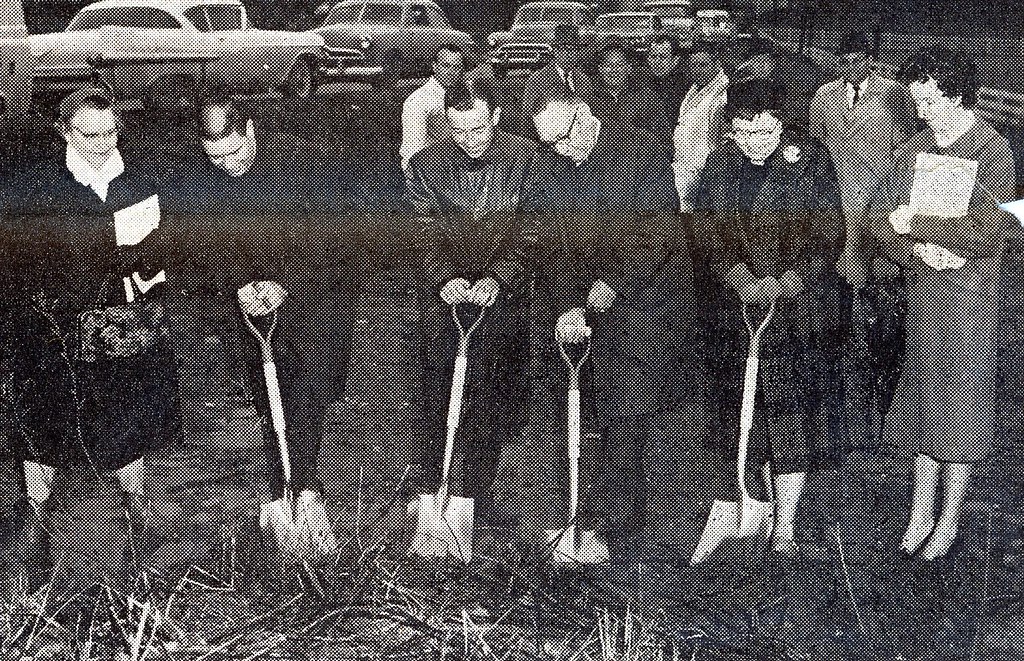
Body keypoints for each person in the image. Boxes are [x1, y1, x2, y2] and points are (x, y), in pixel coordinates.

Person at [2, 87, 181, 572]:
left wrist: (151, 267)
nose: (102, 145)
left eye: (109, 132)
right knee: (46, 448)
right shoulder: (34, 189)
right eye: (88, 134)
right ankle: (35, 557)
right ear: (63, 130)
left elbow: (169, 249)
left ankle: (144, 564)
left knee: (133, 449)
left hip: (127, 335)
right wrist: (109, 239)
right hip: (53, 341)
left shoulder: (143, 178)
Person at [162, 89, 361, 520]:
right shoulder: (203, 183)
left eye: (233, 152)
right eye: (217, 158)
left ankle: (307, 490)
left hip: (314, 296)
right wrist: (237, 288)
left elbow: (331, 237)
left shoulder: (302, 164)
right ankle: (279, 493)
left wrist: (285, 284)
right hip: (250, 308)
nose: (227, 164)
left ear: (249, 130)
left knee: (308, 393)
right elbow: (202, 250)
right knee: (267, 392)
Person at [527, 90, 693, 563]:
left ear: (584, 117)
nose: (558, 151)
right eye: (549, 143)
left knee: (625, 421)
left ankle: (617, 533)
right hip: (579, 315)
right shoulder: (551, 169)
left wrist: (608, 291)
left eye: (563, 139)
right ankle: (575, 522)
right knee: (579, 420)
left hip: (642, 312)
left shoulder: (639, 158)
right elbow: (545, 249)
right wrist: (564, 305)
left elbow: (656, 239)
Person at [866, 47, 1015, 562]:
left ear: (954, 93)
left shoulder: (993, 147)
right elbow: (879, 219)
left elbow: (1006, 224)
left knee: (959, 407)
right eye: (914, 98)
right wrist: (908, 242)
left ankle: (951, 515)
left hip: (969, 294)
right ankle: (920, 508)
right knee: (920, 402)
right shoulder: (916, 145)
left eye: (926, 98)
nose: (917, 107)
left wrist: (936, 236)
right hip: (925, 289)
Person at [693, 79, 844, 557]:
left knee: (790, 413)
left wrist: (787, 283)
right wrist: (736, 276)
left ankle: (785, 525)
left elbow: (829, 234)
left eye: (762, 126)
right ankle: (744, 511)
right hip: (738, 310)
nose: (753, 137)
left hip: (798, 310)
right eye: (741, 128)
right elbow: (706, 234)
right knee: (740, 408)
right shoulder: (718, 170)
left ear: (780, 121)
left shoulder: (812, 164)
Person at [406, 77, 551, 529]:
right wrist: (444, 278)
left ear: (493, 117)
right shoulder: (427, 164)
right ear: (445, 125)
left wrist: (497, 279)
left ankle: (468, 506)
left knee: (488, 404)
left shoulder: (525, 161)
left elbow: (532, 232)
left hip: (502, 302)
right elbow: (421, 229)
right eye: (458, 131)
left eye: (478, 129)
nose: (469, 140)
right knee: (436, 397)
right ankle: (429, 507)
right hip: (444, 301)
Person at [807, 31, 918, 451]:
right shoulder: (824, 98)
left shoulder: (896, 96)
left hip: (882, 216)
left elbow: (910, 152)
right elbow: (816, 155)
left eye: (862, 59)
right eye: (847, 58)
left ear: (873, 60)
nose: (854, 66)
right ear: (839, 60)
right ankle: (838, 412)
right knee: (835, 314)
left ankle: (885, 405)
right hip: (837, 218)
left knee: (886, 317)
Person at [672, 40, 729, 211]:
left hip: (700, 173)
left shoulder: (722, 94)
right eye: (693, 65)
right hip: (683, 166)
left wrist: (698, 174)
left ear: (716, 63)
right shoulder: (695, 88)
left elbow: (715, 142)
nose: (698, 70)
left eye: (703, 65)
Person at [590, 41, 672, 156]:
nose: (614, 70)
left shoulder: (648, 98)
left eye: (619, 65)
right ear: (600, 69)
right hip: (601, 169)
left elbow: (665, 143)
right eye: (608, 65)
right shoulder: (590, 99)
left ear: (628, 68)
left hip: (640, 168)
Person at [727, 34, 823, 130]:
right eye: (757, 61)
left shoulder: (782, 82)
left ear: (773, 63)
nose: (762, 66)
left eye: (767, 61)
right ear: (750, 64)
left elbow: (793, 109)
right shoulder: (741, 85)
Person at [518, 24, 596, 138]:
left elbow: (590, 120)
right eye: (563, 49)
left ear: (579, 52)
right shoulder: (537, 80)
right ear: (554, 51)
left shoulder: (584, 81)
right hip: (545, 149)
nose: (569, 54)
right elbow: (527, 123)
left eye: (574, 49)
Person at [399, 44, 467, 172]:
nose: (451, 72)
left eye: (456, 67)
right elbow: (413, 152)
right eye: (445, 66)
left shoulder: (463, 94)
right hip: (432, 172)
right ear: (434, 66)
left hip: (461, 168)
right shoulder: (419, 100)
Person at [643, 34, 691, 153]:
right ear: (648, 59)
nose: (657, 62)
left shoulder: (686, 89)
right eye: (653, 56)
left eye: (663, 57)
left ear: (675, 60)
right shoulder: (641, 86)